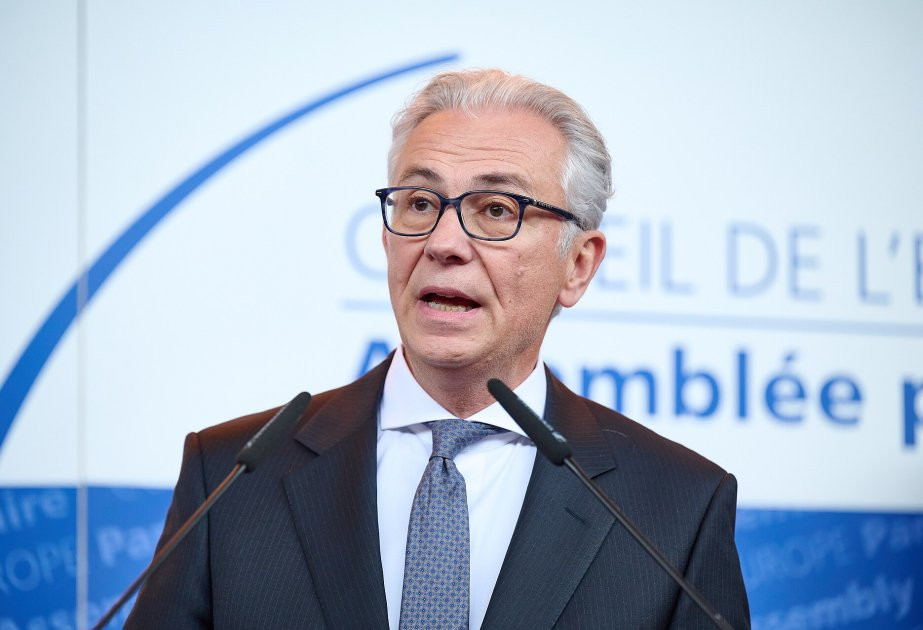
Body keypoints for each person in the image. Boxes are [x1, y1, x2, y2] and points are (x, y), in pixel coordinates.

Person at [126, 69, 750, 629]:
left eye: (497, 209)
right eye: (421, 203)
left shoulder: (675, 508)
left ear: (578, 265)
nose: (444, 243)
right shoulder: (231, 475)